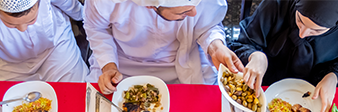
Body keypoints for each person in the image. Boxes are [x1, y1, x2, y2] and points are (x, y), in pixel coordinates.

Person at [231, 0, 338, 112]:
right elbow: (245, 41)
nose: (302, 34)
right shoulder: (276, 2)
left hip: (318, 90)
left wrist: (334, 77)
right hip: (267, 79)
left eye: (316, 30)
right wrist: (256, 55)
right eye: (299, 20)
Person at [84, 0, 242, 94]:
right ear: (151, 7)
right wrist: (108, 66)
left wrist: (215, 46)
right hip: (123, 63)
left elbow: (207, 23)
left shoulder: (194, 8)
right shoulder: (107, 3)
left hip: (183, 61)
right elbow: (97, 28)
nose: (194, 13)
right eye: (185, 11)